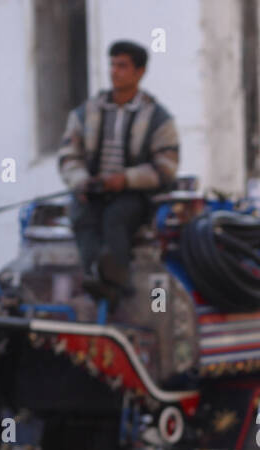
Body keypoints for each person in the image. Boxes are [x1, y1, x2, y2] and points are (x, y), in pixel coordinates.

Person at [57, 39, 180, 303]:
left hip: (136, 195)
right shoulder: (86, 113)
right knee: (82, 216)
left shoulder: (159, 118)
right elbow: (69, 155)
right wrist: (81, 182)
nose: (114, 71)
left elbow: (166, 167)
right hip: (95, 191)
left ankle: (116, 281)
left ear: (139, 72)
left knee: (117, 217)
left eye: (122, 66)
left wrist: (125, 180)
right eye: (112, 65)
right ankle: (94, 277)